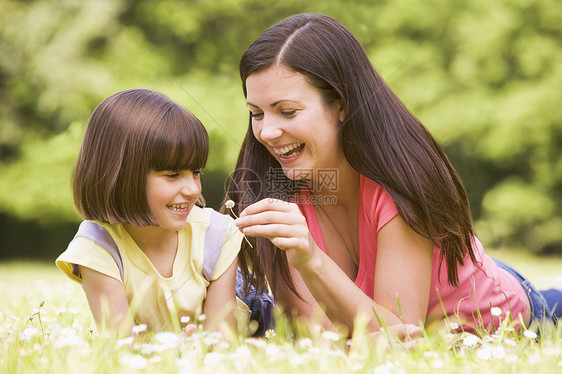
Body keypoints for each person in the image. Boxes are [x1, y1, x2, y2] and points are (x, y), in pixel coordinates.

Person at [226, 13, 562, 337]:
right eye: (256, 114)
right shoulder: (278, 195)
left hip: (513, 310)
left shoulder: (400, 185)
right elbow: (325, 339)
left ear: (341, 105)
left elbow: (397, 338)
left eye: (287, 111)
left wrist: (311, 259)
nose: (267, 132)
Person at [57, 88, 247, 335]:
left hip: (251, 306)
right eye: (172, 175)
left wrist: (201, 348)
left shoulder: (216, 234)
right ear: (123, 176)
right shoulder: (98, 248)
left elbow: (222, 342)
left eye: (196, 172)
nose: (192, 189)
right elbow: (122, 346)